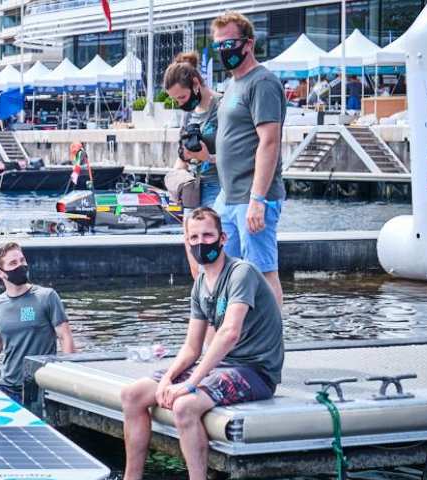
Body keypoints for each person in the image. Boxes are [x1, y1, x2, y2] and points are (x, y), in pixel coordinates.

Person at [120, 207, 283, 480]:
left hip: (255, 371)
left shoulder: (241, 273)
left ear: (223, 238)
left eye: (207, 235)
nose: (200, 243)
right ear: (186, 240)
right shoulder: (200, 285)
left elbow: (229, 333)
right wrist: (169, 378)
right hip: (221, 366)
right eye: (193, 237)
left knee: (184, 405)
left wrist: (190, 384)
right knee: (132, 395)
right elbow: (192, 348)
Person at [210, 11, 286, 305]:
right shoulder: (232, 85)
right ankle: (234, 337)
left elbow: (269, 142)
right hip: (229, 197)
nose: (223, 51)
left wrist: (258, 199)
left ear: (248, 44)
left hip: (253, 198)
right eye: (218, 46)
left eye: (229, 43)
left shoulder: (262, 82)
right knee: (225, 269)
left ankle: (271, 341)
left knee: (262, 271)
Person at [0, 242, 75, 403]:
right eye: (13, 263)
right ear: (0, 272)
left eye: (22, 260)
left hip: (40, 386)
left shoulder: (46, 296)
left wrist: (68, 377)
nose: (21, 266)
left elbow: (65, 337)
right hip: (8, 386)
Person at [164, 51, 223, 280]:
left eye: (181, 97)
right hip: (194, 190)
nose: (181, 104)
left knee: (216, 260)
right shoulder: (189, 115)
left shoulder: (222, 108)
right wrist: (177, 177)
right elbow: (182, 157)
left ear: (196, 84)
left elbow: (238, 156)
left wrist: (208, 157)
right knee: (195, 263)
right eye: (176, 100)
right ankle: (204, 308)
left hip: (219, 188)